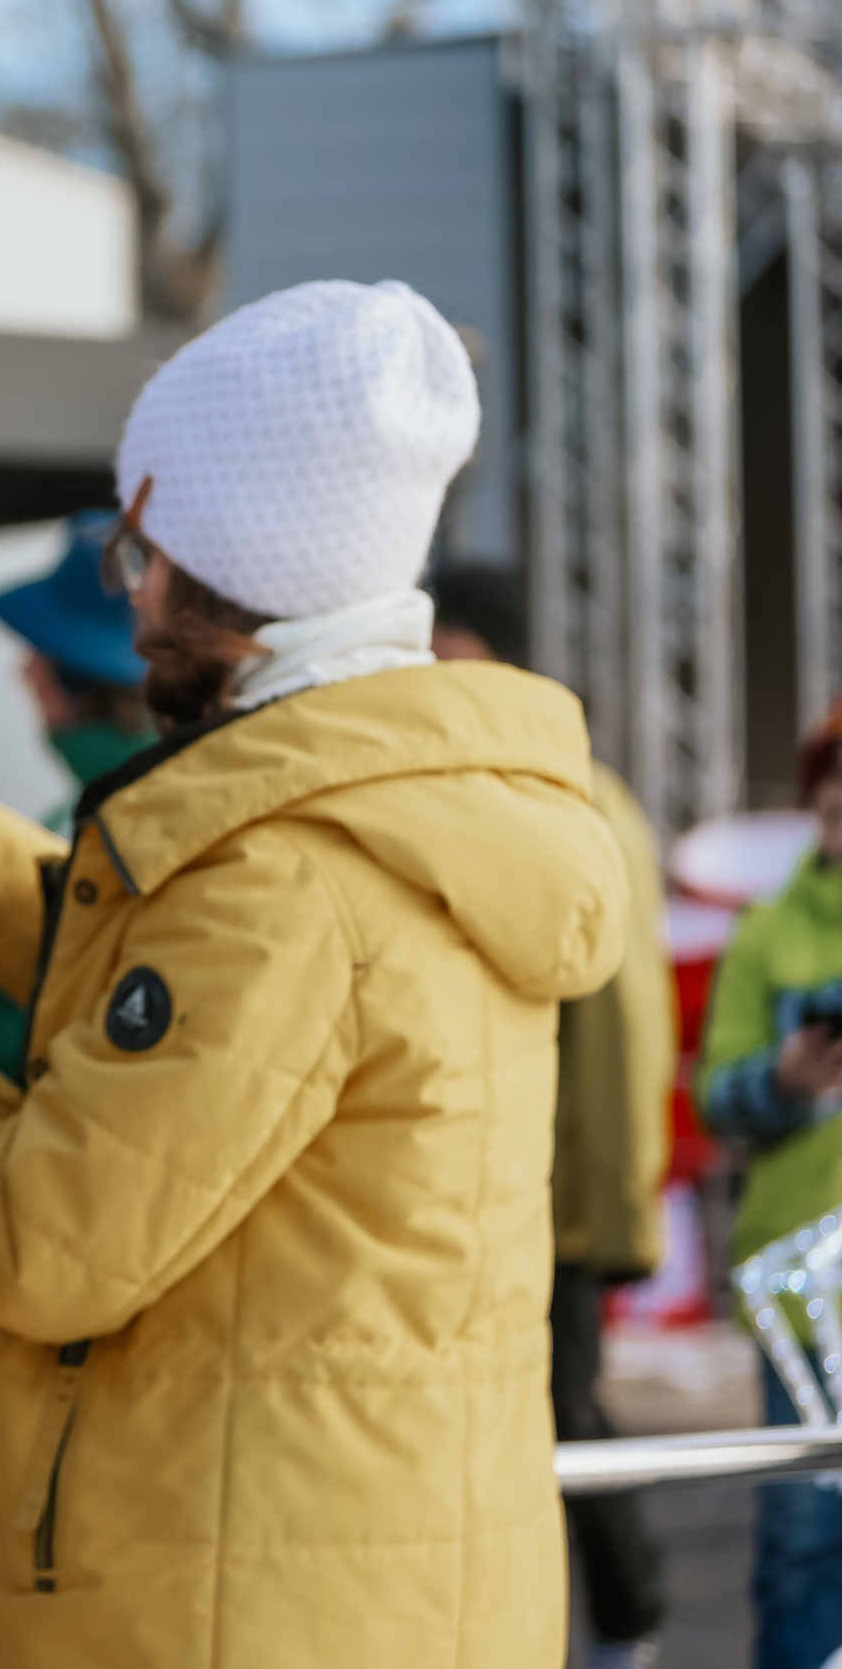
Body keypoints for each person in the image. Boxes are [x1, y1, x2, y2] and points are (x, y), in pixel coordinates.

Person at [0, 280, 629, 1667]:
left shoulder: (287, 880)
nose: (136, 592)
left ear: (237, 562)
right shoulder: (402, 803)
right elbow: (202, 1024)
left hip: (235, 1610)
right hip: (369, 1577)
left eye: (145, 551)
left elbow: (45, 1235)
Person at [432, 564, 673, 1669]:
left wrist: (607, 1212)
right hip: (526, 1194)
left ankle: (630, 1626)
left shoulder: (551, 787)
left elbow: (617, 1027)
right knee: (539, 1425)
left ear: (479, 649)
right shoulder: (536, 779)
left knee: (561, 1424)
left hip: (547, 1202)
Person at [695, 702, 842, 1669]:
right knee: (800, 1551)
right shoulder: (767, 931)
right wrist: (786, 1081)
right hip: (802, 1298)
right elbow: (715, 1096)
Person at [0, 512, 153, 1083]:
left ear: (81, 677)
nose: (24, 671)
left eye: (41, 651)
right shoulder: (94, 803)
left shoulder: (117, 822)